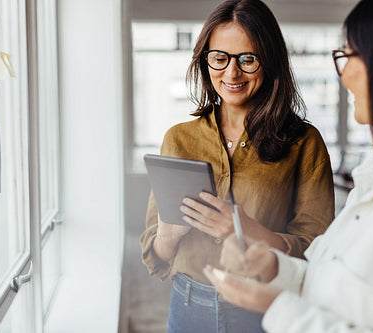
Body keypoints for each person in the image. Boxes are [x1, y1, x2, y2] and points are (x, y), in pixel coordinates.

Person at [203, 0, 373, 331]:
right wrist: (274, 268)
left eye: (351, 55)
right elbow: (329, 278)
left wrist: (278, 308)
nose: (344, 74)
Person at [139, 0, 335, 332]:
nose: (231, 73)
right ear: (205, 61)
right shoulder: (178, 139)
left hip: (264, 309)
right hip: (187, 306)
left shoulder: (304, 143)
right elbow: (154, 256)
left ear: (270, 62)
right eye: (220, 58)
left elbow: (319, 252)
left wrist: (243, 230)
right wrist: (168, 237)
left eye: (247, 59)